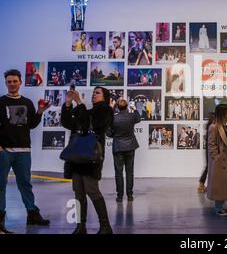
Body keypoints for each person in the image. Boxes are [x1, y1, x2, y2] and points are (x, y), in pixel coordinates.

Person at [0, 69, 51, 234]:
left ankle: (32, 214)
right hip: (4, 151)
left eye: (15, 81)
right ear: (6, 83)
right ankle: (0, 219)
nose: (12, 84)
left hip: (24, 150)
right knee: (1, 185)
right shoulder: (0, 102)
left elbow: (31, 124)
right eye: (9, 81)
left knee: (25, 184)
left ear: (20, 82)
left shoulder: (28, 102)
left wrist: (40, 112)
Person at [61, 86, 114, 234]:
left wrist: (80, 104)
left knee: (92, 190)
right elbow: (68, 124)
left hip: (92, 156)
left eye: (97, 93)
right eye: (93, 92)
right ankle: (80, 226)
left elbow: (88, 126)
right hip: (77, 155)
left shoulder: (106, 111)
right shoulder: (87, 111)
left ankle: (105, 226)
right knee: (78, 192)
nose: (94, 95)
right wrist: (67, 104)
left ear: (105, 97)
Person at [109, 99, 141, 203]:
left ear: (117, 107)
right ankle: (130, 195)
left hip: (118, 147)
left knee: (118, 173)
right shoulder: (131, 116)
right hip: (130, 146)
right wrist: (135, 109)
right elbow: (138, 118)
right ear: (127, 106)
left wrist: (115, 135)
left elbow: (108, 133)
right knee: (129, 172)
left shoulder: (114, 118)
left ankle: (119, 196)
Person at [197, 113, 214, 192]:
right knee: (208, 167)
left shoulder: (209, 126)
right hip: (210, 149)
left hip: (208, 149)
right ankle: (201, 184)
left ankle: (201, 184)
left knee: (208, 167)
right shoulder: (212, 127)